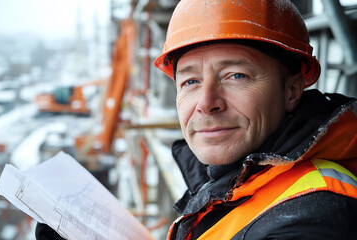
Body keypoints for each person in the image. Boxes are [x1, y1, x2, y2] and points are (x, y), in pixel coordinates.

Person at [36, 0, 357, 239]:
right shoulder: (237, 184)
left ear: (291, 91)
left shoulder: (315, 217)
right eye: (190, 81)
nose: (206, 103)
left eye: (236, 75)